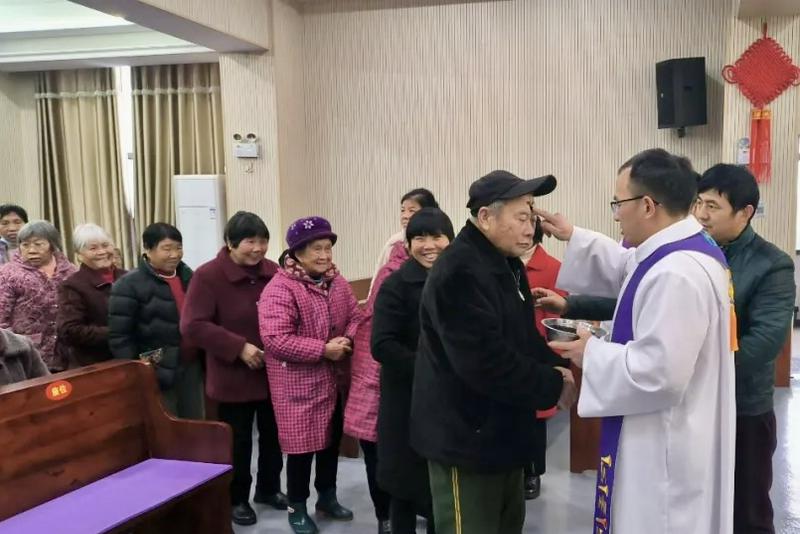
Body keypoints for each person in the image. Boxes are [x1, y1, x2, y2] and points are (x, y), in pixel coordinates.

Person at [538, 148, 736, 534]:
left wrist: (590, 352)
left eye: (618, 203)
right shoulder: (684, 250)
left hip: (665, 443)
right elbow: (627, 269)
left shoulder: (676, 274)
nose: (616, 214)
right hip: (683, 427)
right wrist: (572, 235)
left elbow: (659, 373)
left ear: (647, 205)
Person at [410, 170, 576, 534]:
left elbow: (520, 336)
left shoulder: (504, 262)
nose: (530, 226)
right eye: (521, 216)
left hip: (502, 435)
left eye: (532, 215)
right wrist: (551, 383)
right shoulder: (459, 271)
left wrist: (559, 365)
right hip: (466, 440)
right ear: (485, 217)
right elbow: (485, 363)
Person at [695, 164, 795, 534]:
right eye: (698, 203)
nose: (701, 214)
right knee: (701, 502)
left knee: (747, 509)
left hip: (744, 409)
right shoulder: (695, 253)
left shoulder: (773, 264)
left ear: (745, 212)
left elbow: (767, 340)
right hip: (699, 404)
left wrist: (706, 373)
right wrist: (574, 306)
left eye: (713, 206)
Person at [180, 212, 287, 527]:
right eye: (249, 242)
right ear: (229, 243)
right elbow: (192, 325)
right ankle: (236, 498)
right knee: (238, 441)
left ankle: (269, 489)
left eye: (263, 240)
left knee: (272, 435)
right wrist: (238, 346)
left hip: (272, 372)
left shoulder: (274, 271)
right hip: (233, 375)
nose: (258, 248)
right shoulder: (208, 275)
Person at [258, 216, 362, 534]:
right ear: (297, 252)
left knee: (330, 444)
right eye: (317, 248)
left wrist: (348, 339)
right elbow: (276, 339)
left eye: (328, 248)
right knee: (302, 450)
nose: (324, 256)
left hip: (334, 380)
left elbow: (356, 315)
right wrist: (322, 350)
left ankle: (326, 497)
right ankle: (297, 507)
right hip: (297, 385)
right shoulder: (280, 288)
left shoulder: (337, 281)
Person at [371, 207, 454, 534]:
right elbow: (382, 345)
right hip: (405, 401)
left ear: (451, 240)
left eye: (437, 236)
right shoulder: (395, 285)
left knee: (440, 489)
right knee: (404, 487)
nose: (429, 244)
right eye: (420, 237)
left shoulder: (458, 281)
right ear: (407, 244)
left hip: (448, 403)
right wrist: (429, 367)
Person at [108, 223, 203, 419]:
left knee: (196, 424)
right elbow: (120, 336)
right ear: (148, 250)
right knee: (166, 426)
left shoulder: (189, 277)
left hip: (191, 365)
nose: (174, 254)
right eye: (166, 249)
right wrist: (140, 371)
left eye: (178, 248)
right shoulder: (127, 285)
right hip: (157, 369)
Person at [343, 246, 406, 532]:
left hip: (416, 383)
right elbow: (370, 325)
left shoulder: (446, 274)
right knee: (376, 448)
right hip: (377, 374)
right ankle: (385, 516)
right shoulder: (390, 274)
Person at [519, 216, 568, 500]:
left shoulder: (553, 268)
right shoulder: (503, 264)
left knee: (537, 421)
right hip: (512, 351)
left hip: (539, 352)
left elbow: (558, 320)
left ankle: (533, 472)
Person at [0, 220, 77, 371]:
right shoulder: (7, 274)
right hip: (27, 355)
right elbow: (1, 319)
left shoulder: (70, 271)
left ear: (52, 245)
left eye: (38, 244)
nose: (31, 250)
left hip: (69, 353)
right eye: (25, 245)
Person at [57, 224, 126, 366]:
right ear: (79, 255)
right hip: (95, 365)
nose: (102, 252)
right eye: (93, 248)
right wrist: (118, 332)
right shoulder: (72, 286)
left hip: (132, 359)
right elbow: (70, 331)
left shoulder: (129, 277)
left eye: (106, 245)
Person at [370, 188, 438, 295]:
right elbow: (377, 278)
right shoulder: (393, 243)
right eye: (403, 210)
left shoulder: (442, 241)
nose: (405, 216)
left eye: (411, 210)